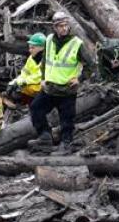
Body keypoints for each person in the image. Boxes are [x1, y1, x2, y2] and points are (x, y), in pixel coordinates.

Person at [29, 11, 96, 154]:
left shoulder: (77, 43)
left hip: (67, 90)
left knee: (67, 119)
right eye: (60, 26)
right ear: (54, 27)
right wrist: (42, 79)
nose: (64, 28)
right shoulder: (49, 40)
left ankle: (66, 144)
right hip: (50, 88)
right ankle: (45, 137)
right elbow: (45, 62)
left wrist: (79, 79)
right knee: (36, 108)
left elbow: (91, 65)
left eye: (66, 25)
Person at [6, 34, 45, 106]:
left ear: (41, 47)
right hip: (34, 87)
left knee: (25, 88)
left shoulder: (48, 59)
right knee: (17, 90)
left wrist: (22, 82)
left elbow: (39, 77)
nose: (30, 50)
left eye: (32, 48)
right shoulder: (31, 58)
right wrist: (13, 82)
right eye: (30, 48)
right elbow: (24, 73)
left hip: (45, 89)